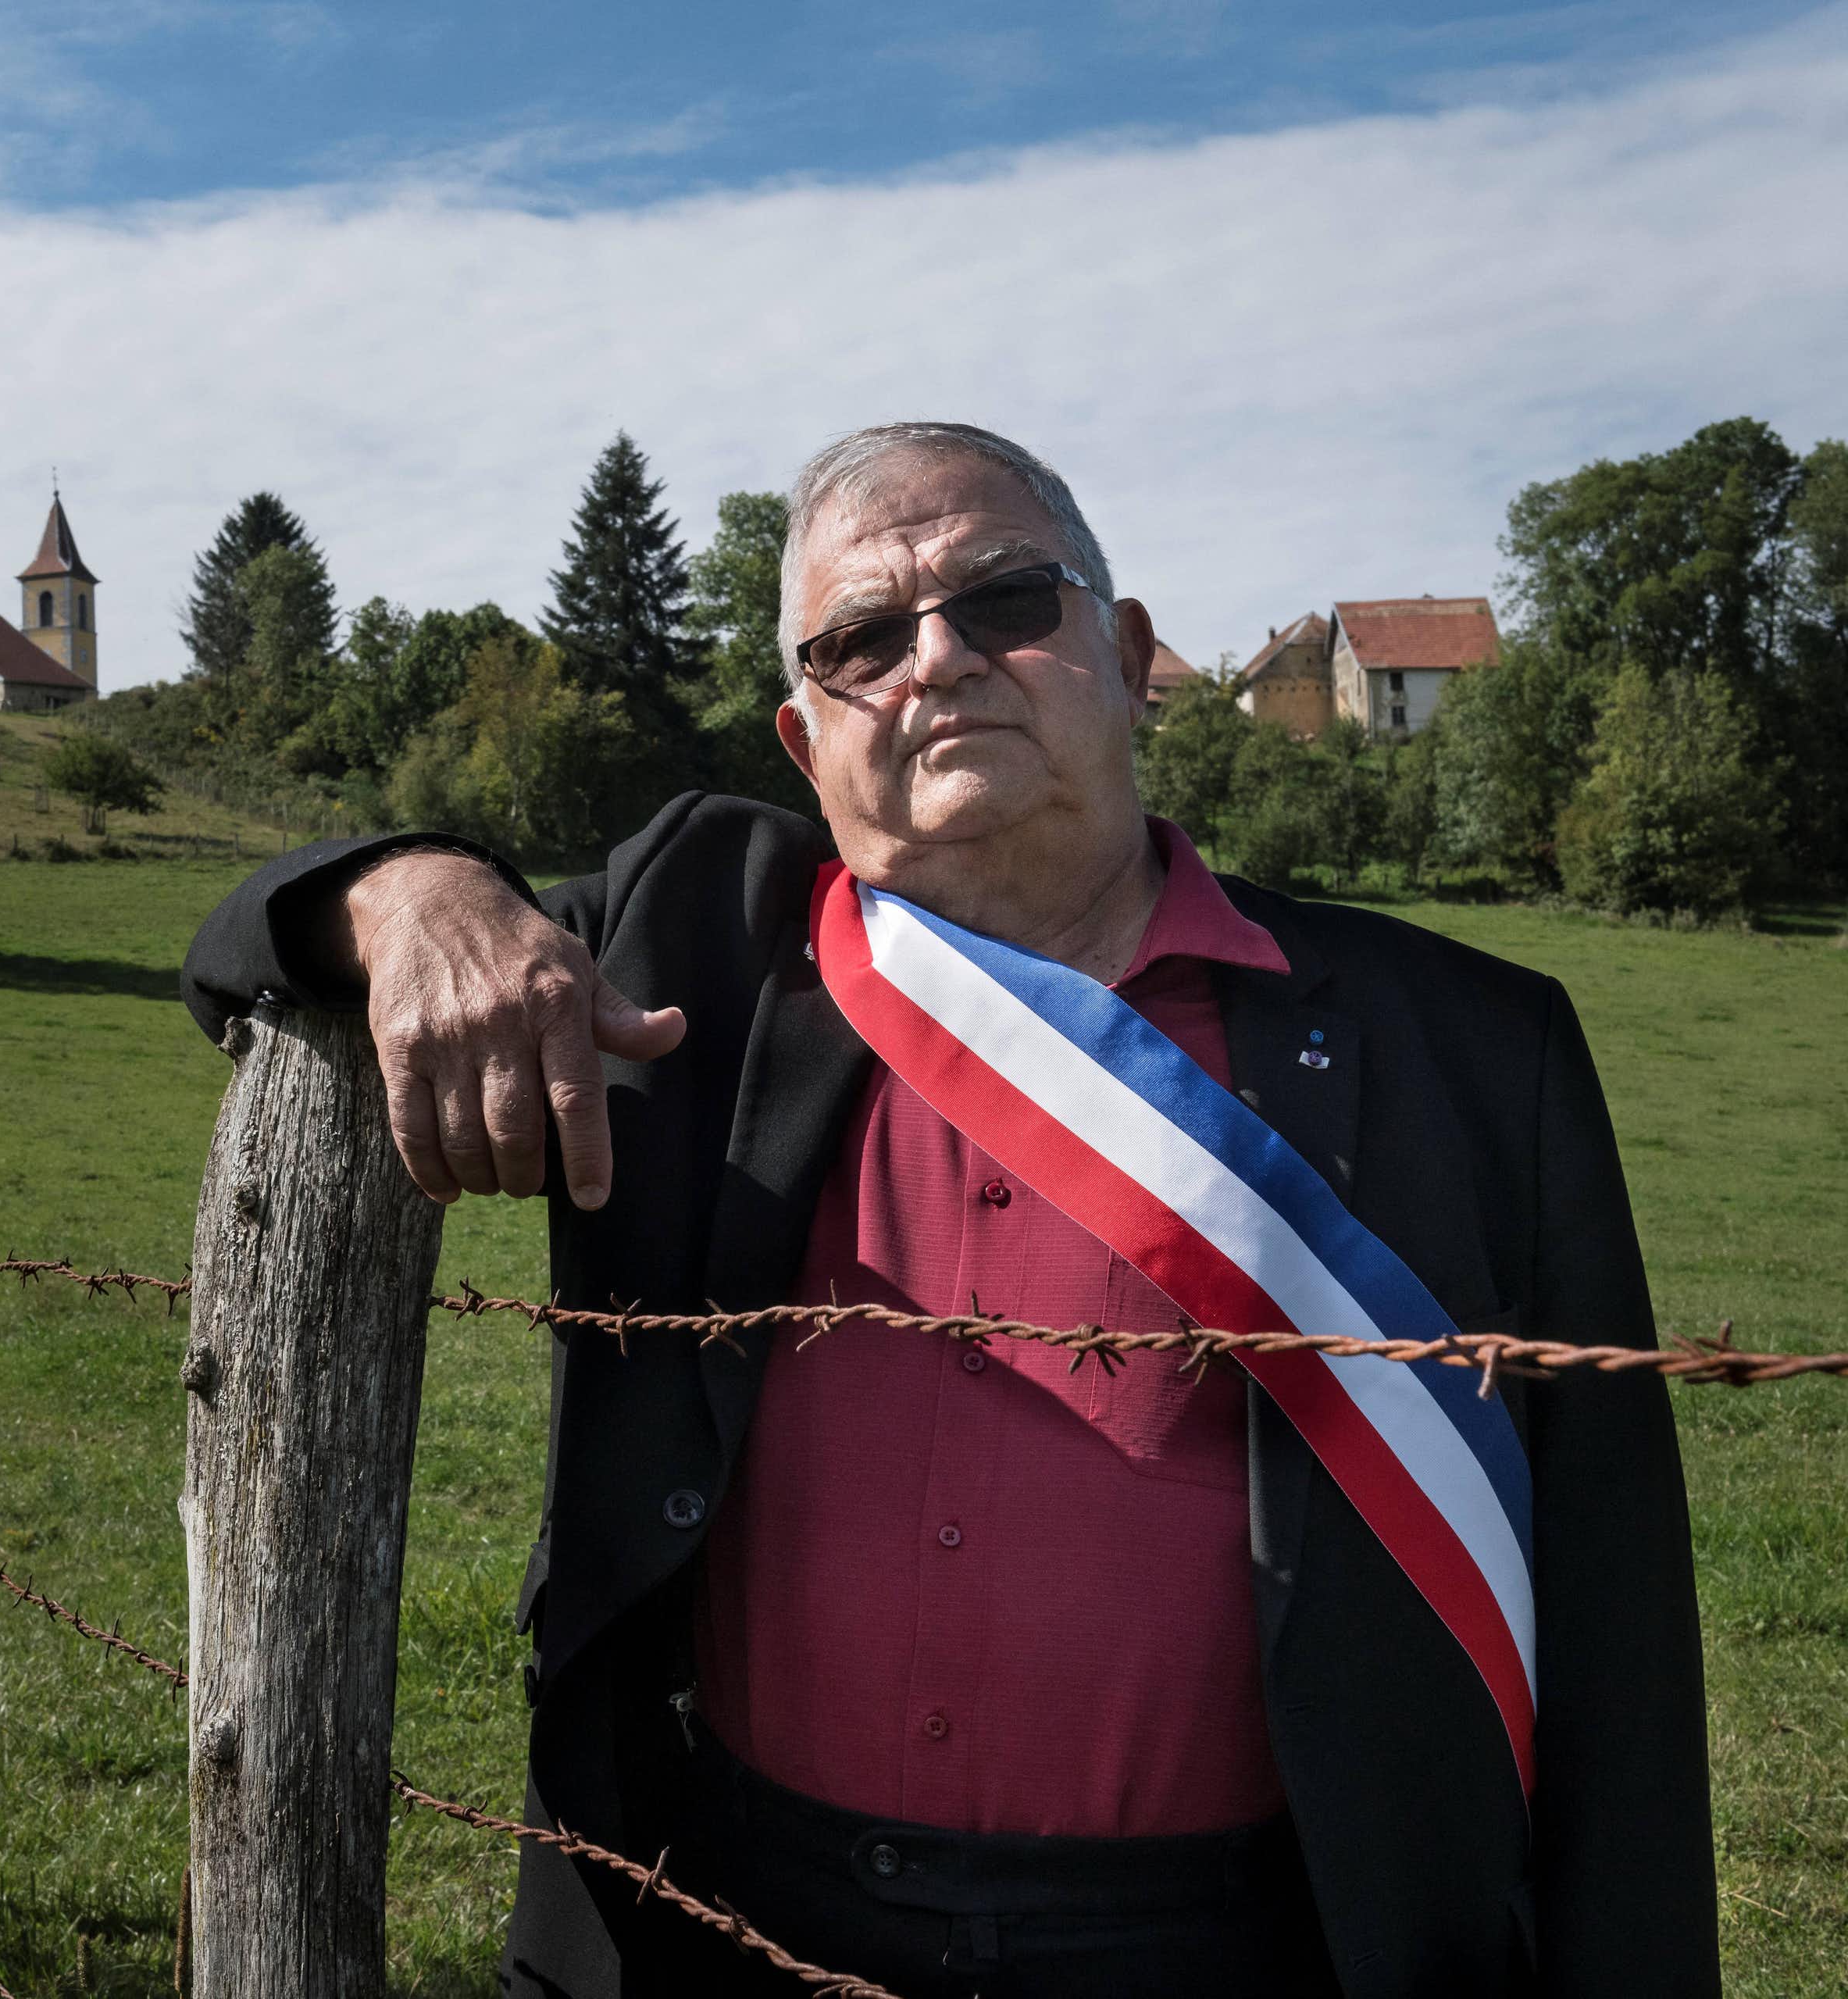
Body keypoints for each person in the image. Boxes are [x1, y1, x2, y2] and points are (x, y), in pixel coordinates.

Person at [182, 423, 1718, 1999]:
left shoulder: (1466, 1046)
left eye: (1002, 601)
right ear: (803, 739)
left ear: (1123, 660)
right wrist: (411, 890)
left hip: (1252, 1944)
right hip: (720, 1925)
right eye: (861, 637)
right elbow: (241, 940)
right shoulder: (687, 950)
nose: (935, 660)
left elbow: (1615, 1656)